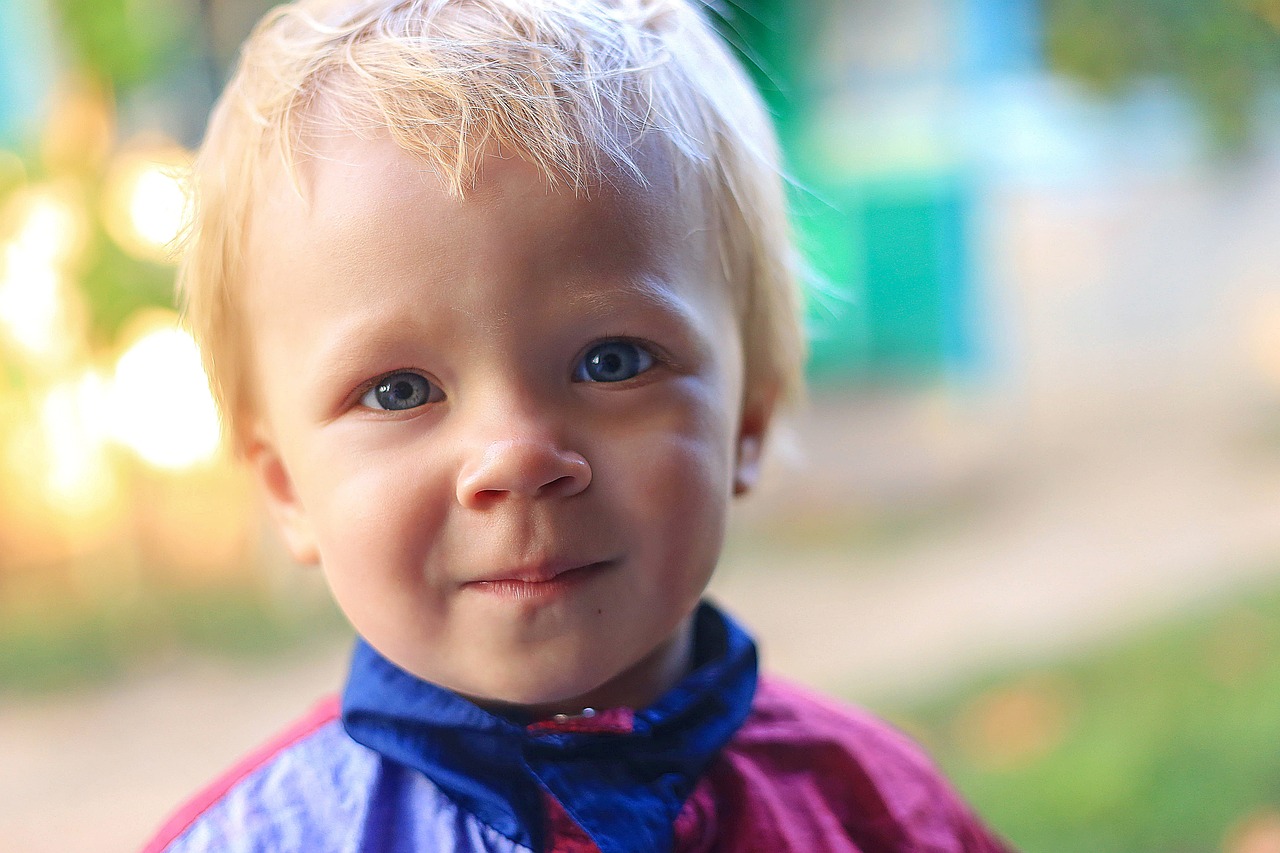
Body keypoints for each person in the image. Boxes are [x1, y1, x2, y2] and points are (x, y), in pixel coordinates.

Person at [143, 0, 1013, 850]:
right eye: (400, 390)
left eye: (613, 362)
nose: (518, 455)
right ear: (286, 484)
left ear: (748, 415)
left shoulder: (877, 811)